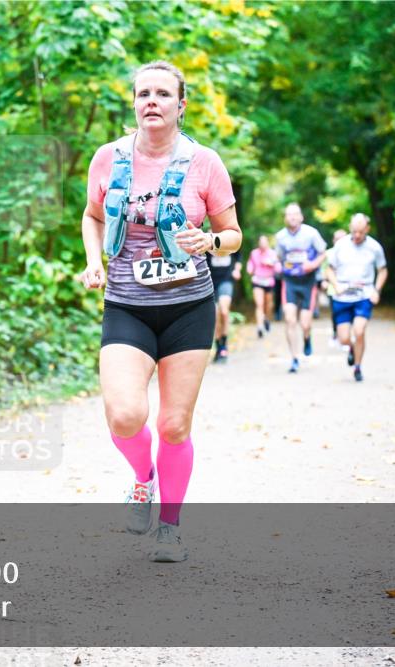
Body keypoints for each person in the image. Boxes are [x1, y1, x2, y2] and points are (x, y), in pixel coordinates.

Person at [81, 61, 241, 562]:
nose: (151, 101)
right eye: (143, 93)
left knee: (174, 425)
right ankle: (142, 477)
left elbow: (233, 235)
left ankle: (169, 528)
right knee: (125, 415)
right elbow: (92, 216)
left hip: (188, 306)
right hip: (127, 304)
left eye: (163, 94)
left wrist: (210, 241)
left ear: (181, 105)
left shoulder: (205, 162)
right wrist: (93, 261)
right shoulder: (109, 158)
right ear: (134, 103)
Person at [325, 214, 387, 382]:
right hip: (343, 296)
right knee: (344, 338)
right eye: (354, 231)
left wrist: (377, 290)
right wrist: (336, 285)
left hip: (364, 295)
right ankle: (352, 348)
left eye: (361, 232)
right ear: (350, 228)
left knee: (359, 331)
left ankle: (358, 367)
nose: (357, 235)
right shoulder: (340, 245)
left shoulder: (374, 247)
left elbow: (382, 270)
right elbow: (329, 269)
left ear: (367, 229)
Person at [274, 203, 326, 373]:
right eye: (289, 214)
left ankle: (307, 337)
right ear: (285, 218)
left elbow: (323, 253)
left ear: (301, 217)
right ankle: (294, 358)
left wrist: (313, 265)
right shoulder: (280, 237)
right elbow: (278, 258)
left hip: (308, 282)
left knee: (305, 324)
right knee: (290, 319)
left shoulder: (311, 233)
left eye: (295, 214)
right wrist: (277, 265)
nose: (293, 217)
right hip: (289, 281)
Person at [207, 249, 241, 362]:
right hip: (211, 281)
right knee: (215, 315)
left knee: (224, 311)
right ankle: (218, 347)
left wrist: (237, 270)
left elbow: (238, 256)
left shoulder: (228, 240)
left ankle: (224, 344)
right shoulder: (208, 242)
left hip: (227, 280)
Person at [246, 234, 280, 338]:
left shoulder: (273, 253)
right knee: (259, 304)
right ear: (259, 243)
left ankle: (266, 319)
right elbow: (250, 264)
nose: (263, 244)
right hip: (257, 280)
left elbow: (279, 268)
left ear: (267, 243)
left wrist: (271, 264)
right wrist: (249, 269)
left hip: (269, 281)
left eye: (264, 242)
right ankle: (260, 327)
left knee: (268, 305)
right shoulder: (254, 253)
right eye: (261, 242)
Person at [325, 228, 348, 349]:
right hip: (332, 289)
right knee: (336, 313)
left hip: (350, 290)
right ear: (333, 240)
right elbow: (324, 270)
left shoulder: (352, 253)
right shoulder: (328, 253)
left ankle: (345, 337)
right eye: (337, 239)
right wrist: (324, 281)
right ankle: (336, 335)